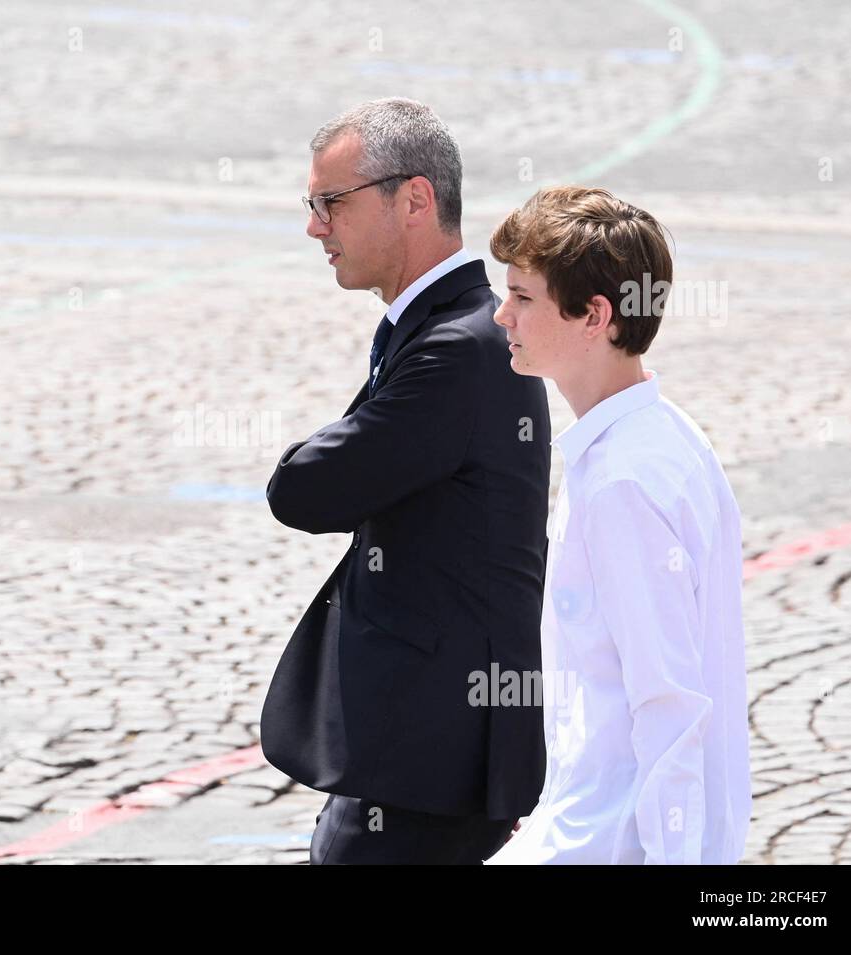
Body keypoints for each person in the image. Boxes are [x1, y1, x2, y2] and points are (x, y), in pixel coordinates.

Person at [259, 97, 552, 864]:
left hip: (430, 755)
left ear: (414, 199)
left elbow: (307, 490)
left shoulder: (457, 347)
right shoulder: (449, 330)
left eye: (332, 203)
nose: (315, 226)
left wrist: (304, 452)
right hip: (421, 745)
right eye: (312, 205)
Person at [483, 186, 751, 864]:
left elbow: (669, 702)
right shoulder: (662, 438)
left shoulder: (622, 481)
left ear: (594, 315)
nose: (499, 315)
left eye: (522, 297)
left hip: (610, 842)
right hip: (584, 824)